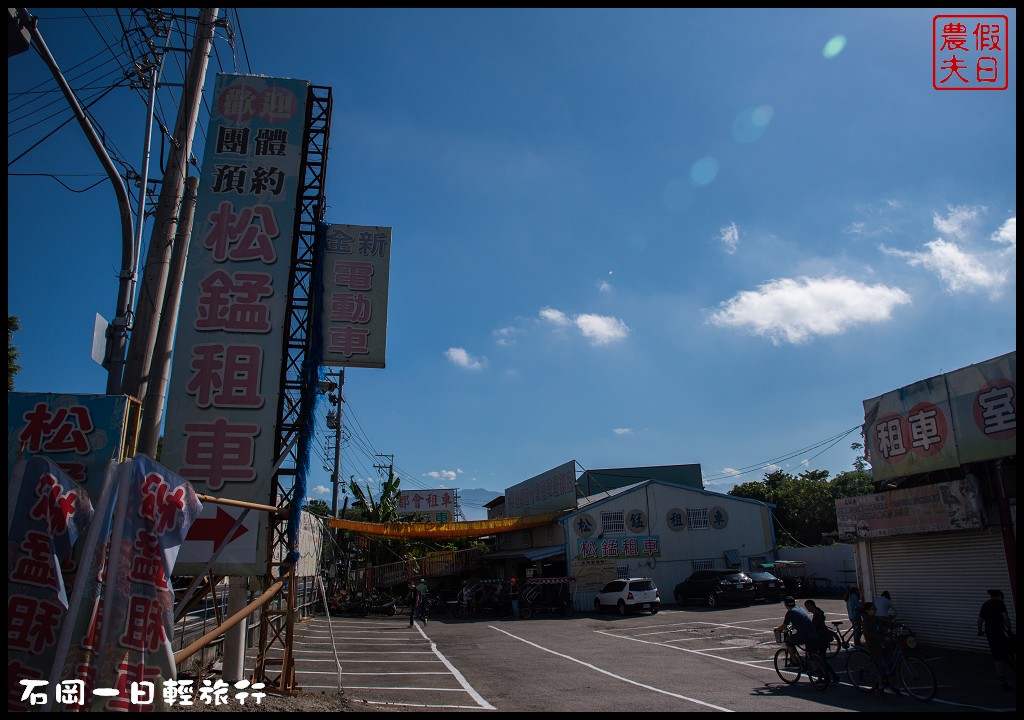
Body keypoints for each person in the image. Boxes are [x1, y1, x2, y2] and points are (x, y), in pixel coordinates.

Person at [861, 601, 899, 697]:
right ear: (867, 611)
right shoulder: (865, 621)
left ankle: (894, 685)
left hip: (883, 644)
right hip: (874, 646)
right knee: (881, 666)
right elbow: (870, 635)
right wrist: (883, 638)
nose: (875, 611)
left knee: (892, 663)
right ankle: (880, 686)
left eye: (875, 609)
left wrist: (899, 625)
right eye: (873, 609)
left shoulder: (875, 619)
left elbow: (886, 623)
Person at [977, 589, 1013, 691]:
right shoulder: (999, 603)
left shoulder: (985, 604)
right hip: (1001, 632)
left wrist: (979, 631)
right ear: (998, 596)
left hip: (990, 634)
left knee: (997, 658)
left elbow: (979, 621)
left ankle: (1003, 682)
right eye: (1002, 597)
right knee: (1012, 649)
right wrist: (1009, 631)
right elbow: (1006, 618)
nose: (1003, 599)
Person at [774, 596, 817, 667]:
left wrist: (777, 629)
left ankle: (795, 662)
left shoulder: (790, 612)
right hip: (813, 632)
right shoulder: (800, 609)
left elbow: (784, 625)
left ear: (785, 605)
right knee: (810, 651)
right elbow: (800, 621)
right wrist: (792, 627)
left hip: (805, 634)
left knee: (788, 641)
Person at [804, 599, 840, 684]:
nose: (807, 608)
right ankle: (828, 677)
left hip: (821, 639)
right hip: (823, 638)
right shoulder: (818, 613)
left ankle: (829, 676)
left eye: (808, 606)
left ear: (812, 605)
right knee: (821, 659)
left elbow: (815, 627)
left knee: (820, 659)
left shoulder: (816, 615)